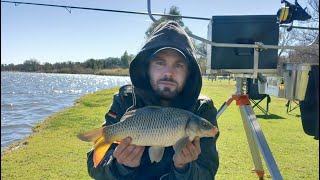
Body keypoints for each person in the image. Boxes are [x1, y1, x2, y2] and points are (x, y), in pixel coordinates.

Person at [86, 20, 219, 179]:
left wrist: (184, 168)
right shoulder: (127, 100)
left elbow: (207, 173)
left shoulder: (202, 108)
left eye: (178, 65)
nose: (168, 72)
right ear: (147, 68)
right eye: (160, 63)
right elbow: (95, 167)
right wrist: (120, 166)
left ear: (189, 72)